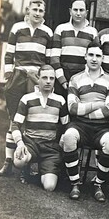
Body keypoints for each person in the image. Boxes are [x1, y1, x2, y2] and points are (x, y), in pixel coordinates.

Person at [0, 0, 52, 176]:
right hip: (18, 76)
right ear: (28, 10)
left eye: (41, 11)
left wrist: (42, 80)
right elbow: (9, 54)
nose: (37, 13)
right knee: (14, 119)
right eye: (34, 10)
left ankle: (28, 166)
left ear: (44, 13)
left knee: (32, 119)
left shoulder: (47, 32)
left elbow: (49, 59)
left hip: (36, 78)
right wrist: (9, 75)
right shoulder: (17, 28)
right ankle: (8, 161)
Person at [62, 45, 109, 202]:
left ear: (102, 58)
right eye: (91, 55)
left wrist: (84, 107)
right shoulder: (75, 79)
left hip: (102, 127)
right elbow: (72, 108)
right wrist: (97, 104)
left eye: (98, 56)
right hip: (80, 125)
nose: (94, 59)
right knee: (69, 136)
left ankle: (98, 184)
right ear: (85, 56)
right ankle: (75, 183)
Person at [9, 64, 67, 192]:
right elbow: (15, 125)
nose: (48, 81)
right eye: (44, 77)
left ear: (54, 80)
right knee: (18, 162)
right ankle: (26, 168)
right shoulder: (27, 98)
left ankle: (41, 171)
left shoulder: (60, 100)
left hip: (50, 147)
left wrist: (62, 139)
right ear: (38, 78)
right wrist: (19, 144)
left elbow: (66, 125)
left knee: (49, 186)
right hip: (31, 144)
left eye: (51, 78)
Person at [50, 0, 96, 96]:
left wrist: (85, 80)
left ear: (86, 12)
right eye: (75, 10)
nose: (78, 13)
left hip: (83, 79)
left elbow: (95, 59)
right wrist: (62, 80)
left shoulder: (93, 32)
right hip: (62, 77)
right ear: (70, 11)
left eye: (81, 10)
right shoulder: (61, 29)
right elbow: (54, 58)